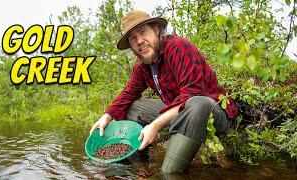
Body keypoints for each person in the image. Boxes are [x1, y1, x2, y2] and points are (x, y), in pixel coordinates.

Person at [89, 10, 238, 173]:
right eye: (133, 38)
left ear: (157, 30)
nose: (139, 41)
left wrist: (155, 126)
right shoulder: (141, 65)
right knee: (133, 107)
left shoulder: (178, 47)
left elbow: (192, 94)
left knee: (196, 103)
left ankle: (169, 172)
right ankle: (140, 166)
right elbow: (129, 92)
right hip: (179, 112)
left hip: (213, 113)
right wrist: (106, 116)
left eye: (143, 32)